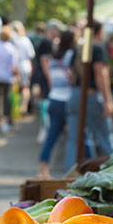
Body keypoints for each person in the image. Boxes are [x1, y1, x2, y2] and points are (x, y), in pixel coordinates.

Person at [65, 20, 113, 171]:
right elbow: (100, 73)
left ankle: (69, 178)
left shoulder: (78, 48)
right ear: (100, 31)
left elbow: (71, 74)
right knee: (106, 138)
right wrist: (108, 100)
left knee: (74, 141)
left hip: (75, 95)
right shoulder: (97, 47)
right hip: (91, 95)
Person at [37, 30, 76, 179]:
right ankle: (72, 171)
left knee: (51, 137)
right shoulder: (70, 56)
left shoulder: (53, 58)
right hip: (67, 100)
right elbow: (72, 78)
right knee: (74, 138)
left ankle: (42, 170)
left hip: (54, 98)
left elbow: (51, 79)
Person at [35, 20, 62, 143]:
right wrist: (50, 78)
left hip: (45, 77)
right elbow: (44, 61)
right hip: (45, 78)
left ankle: (46, 128)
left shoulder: (48, 41)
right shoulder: (46, 42)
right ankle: (45, 129)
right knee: (45, 102)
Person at [10, 20, 35, 115]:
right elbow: (31, 55)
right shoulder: (25, 40)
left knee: (15, 88)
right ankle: (23, 106)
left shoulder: (13, 40)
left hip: (17, 66)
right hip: (26, 65)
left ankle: (16, 107)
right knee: (25, 87)